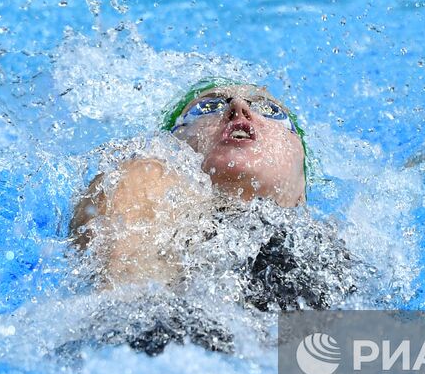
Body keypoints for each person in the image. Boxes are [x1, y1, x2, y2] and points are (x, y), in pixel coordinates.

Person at [68, 78, 355, 352]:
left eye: (269, 110)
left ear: (303, 182)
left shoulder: (346, 243)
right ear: (172, 148)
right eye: (208, 107)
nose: (239, 109)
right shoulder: (145, 179)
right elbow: (125, 315)